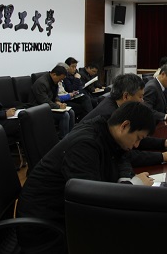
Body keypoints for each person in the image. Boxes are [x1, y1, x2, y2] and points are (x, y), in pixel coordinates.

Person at [16, 101, 156, 252]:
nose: (136, 145)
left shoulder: (107, 129)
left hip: (66, 216)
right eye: (138, 138)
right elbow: (91, 204)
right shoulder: (85, 145)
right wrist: (134, 185)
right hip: (46, 231)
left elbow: (123, 157)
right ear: (124, 126)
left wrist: (126, 179)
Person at [84, 73, 167, 166]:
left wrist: (163, 143)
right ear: (126, 96)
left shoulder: (117, 105)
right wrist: (162, 157)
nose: (142, 101)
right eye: (140, 97)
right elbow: (123, 155)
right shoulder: (110, 115)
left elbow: (134, 137)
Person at [29, 65, 75, 138]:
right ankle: (63, 139)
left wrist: (58, 101)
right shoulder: (41, 83)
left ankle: (71, 136)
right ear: (54, 74)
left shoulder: (54, 81)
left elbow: (55, 95)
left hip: (49, 106)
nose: (60, 81)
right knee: (64, 115)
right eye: (60, 79)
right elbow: (44, 101)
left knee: (71, 112)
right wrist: (58, 106)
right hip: (39, 108)